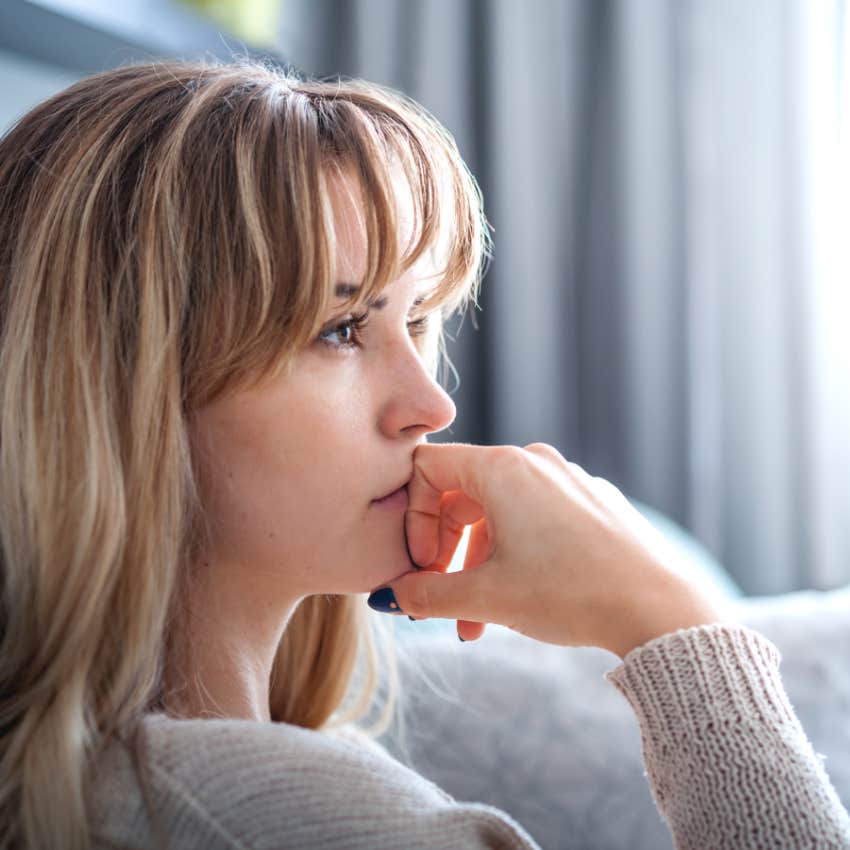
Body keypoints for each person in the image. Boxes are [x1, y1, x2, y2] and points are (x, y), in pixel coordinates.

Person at [0, 56, 847, 850]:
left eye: (415, 322)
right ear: (122, 389)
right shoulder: (288, 814)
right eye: (339, 331)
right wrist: (676, 627)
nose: (431, 406)